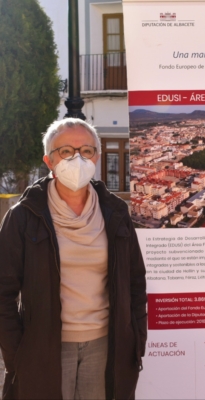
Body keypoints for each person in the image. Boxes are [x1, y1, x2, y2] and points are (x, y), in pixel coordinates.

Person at [0, 118, 147, 399]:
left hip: (106, 344)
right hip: (45, 348)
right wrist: (17, 353)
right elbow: (3, 291)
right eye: (66, 151)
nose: (77, 159)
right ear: (49, 160)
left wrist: (136, 339)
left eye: (87, 151)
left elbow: (135, 281)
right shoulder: (23, 216)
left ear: (97, 157)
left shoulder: (116, 213)